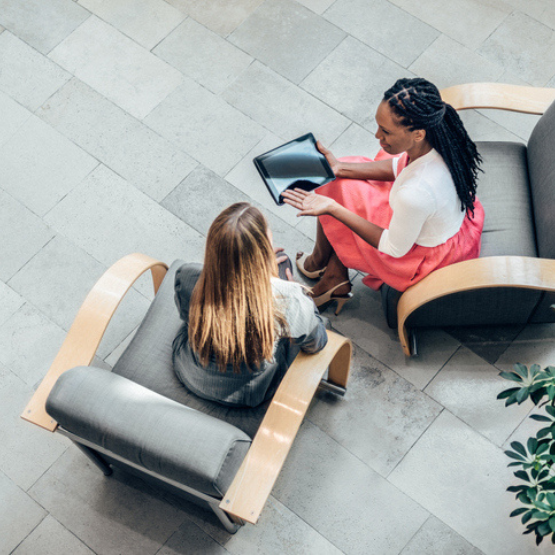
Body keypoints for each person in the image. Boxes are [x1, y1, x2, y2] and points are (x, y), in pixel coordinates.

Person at [282, 77, 485, 314]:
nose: (378, 136)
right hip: (434, 221)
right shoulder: (436, 140)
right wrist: (339, 167)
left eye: (386, 131)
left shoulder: (416, 192)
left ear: (417, 134)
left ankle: (326, 271)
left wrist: (333, 209)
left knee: (338, 201)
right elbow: (397, 167)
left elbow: (394, 248)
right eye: (379, 126)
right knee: (343, 174)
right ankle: (326, 267)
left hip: (418, 256)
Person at [172, 202, 328, 408]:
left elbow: (186, 317)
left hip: (188, 370)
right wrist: (293, 290)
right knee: (287, 275)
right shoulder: (288, 298)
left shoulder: (188, 275)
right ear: (262, 251)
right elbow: (317, 343)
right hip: (247, 394)